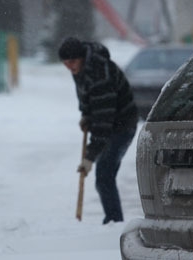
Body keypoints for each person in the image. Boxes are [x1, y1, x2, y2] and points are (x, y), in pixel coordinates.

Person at [58, 36, 138, 225]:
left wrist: (89, 157)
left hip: (122, 125)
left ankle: (114, 223)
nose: (69, 67)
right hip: (109, 121)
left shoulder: (100, 74)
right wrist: (86, 115)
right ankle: (113, 220)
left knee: (104, 175)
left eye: (72, 62)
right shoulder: (80, 67)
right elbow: (85, 96)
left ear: (81, 57)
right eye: (65, 63)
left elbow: (103, 123)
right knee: (104, 176)